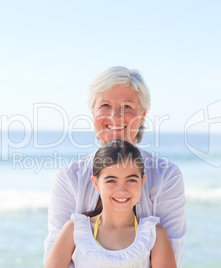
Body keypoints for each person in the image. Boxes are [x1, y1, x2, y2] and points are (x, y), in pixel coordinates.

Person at [44, 66, 186, 267]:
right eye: (105, 105)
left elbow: (173, 254)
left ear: (143, 114)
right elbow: (54, 255)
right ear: (93, 112)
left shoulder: (167, 176)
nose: (116, 116)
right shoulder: (69, 178)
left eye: (127, 106)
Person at [45, 140, 176, 268]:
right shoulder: (75, 230)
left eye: (131, 180)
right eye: (111, 180)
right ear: (96, 183)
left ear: (142, 181)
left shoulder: (154, 234)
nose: (122, 190)